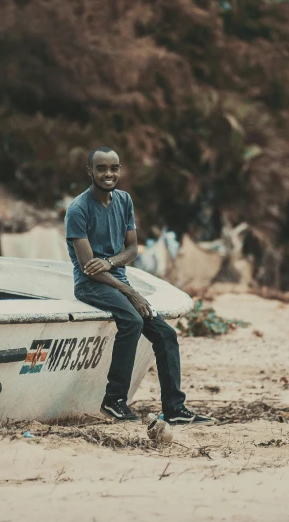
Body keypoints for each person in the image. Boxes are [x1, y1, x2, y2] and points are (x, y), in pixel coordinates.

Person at [65, 146, 214, 425]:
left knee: (166, 335)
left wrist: (109, 263)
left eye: (114, 168)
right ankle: (114, 400)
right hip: (90, 285)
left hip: (116, 280)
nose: (108, 174)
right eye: (101, 168)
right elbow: (89, 268)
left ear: (120, 170)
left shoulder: (124, 200)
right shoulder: (78, 210)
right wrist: (130, 292)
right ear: (90, 171)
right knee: (132, 320)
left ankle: (174, 409)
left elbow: (132, 249)